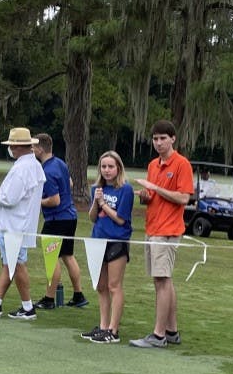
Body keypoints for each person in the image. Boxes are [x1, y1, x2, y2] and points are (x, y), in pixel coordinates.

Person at [129, 119, 194, 349]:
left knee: (162, 281)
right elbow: (152, 196)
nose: (158, 143)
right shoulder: (153, 165)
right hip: (152, 227)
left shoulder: (181, 164)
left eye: (163, 138)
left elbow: (184, 198)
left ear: (173, 139)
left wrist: (156, 189)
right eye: (155, 139)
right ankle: (171, 331)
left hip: (168, 231)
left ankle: (158, 336)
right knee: (164, 280)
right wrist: (145, 195)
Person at [0, 127, 46, 320]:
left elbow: (9, 198)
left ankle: (27, 307)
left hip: (13, 225)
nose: (10, 149)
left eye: (12, 145)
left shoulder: (22, 169)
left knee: (17, 265)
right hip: (18, 224)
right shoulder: (33, 165)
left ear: (18, 147)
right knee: (9, 264)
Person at [81, 151, 134, 344]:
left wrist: (104, 203)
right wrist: (96, 201)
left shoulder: (125, 189)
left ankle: (113, 329)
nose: (107, 170)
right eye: (103, 167)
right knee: (101, 286)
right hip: (98, 240)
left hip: (117, 241)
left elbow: (121, 219)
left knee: (114, 286)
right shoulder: (97, 188)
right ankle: (103, 326)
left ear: (118, 168)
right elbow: (92, 217)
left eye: (111, 166)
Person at [34, 132, 88, 309]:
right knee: (67, 256)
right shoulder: (60, 163)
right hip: (70, 216)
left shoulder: (47, 171)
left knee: (52, 258)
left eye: (34, 147)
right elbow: (70, 183)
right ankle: (78, 295)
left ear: (40, 149)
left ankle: (49, 299)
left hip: (56, 219)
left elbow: (54, 200)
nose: (32, 150)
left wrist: (35, 201)